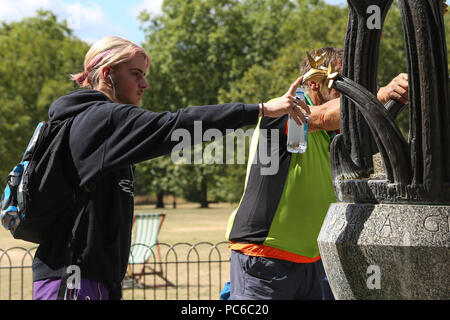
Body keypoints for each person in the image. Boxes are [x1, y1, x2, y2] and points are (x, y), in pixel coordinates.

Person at [31, 36, 310, 300]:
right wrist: (260, 109)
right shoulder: (103, 120)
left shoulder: (98, 125)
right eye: (135, 74)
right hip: (73, 277)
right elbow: (178, 125)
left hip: (91, 276)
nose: (145, 84)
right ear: (107, 75)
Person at [225, 47, 409, 300]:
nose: (351, 91)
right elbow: (321, 117)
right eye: (342, 83)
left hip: (313, 260)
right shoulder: (281, 113)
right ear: (313, 82)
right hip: (265, 257)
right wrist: (380, 94)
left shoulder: (338, 136)